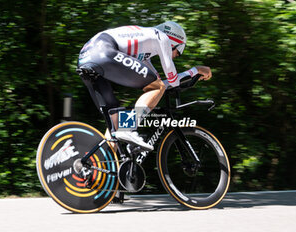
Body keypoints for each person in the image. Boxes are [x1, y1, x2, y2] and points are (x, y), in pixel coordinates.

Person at [77, 21, 212, 151]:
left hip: (86, 57)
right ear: (174, 42)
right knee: (157, 88)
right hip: (103, 50)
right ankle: (128, 129)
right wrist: (196, 70)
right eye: (179, 51)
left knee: (115, 124)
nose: (177, 56)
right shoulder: (161, 37)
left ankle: (100, 168)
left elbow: (161, 83)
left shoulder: (143, 53)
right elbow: (173, 81)